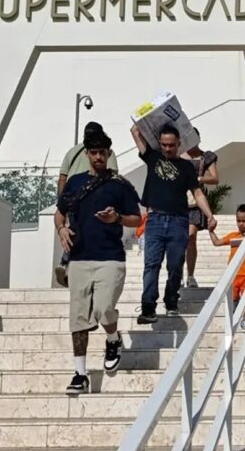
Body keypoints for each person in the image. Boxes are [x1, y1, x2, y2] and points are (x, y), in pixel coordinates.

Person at [54, 128, 141, 394]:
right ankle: (80, 373)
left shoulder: (119, 185)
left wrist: (117, 219)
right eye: (94, 152)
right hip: (79, 257)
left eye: (103, 152)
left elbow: (136, 219)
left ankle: (113, 338)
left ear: (109, 153)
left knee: (104, 308)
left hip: (110, 258)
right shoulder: (75, 183)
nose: (99, 157)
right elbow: (59, 213)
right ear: (88, 154)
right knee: (78, 318)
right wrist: (61, 230)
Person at [131, 123, 217, 324]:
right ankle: (148, 307)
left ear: (179, 144)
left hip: (179, 221)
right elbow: (135, 131)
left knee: (176, 264)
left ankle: (171, 301)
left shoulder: (187, 167)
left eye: (171, 145)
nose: (167, 149)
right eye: (164, 144)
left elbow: (197, 192)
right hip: (155, 220)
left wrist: (210, 215)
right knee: (151, 264)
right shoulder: (152, 157)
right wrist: (151, 114)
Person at [54, 123, 120, 288]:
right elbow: (113, 174)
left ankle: (66, 262)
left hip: (73, 196)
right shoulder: (105, 152)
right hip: (95, 197)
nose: (97, 156)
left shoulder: (73, 151)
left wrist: (62, 200)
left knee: (74, 229)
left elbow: (62, 178)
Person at [208, 204, 245, 329]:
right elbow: (217, 243)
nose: (241, 223)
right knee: (232, 299)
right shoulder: (233, 235)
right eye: (239, 221)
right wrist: (211, 231)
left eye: (244, 221)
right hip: (233, 275)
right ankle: (235, 315)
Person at [181, 128, 219, 288]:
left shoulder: (206, 157)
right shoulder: (177, 155)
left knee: (191, 237)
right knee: (179, 240)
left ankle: (190, 275)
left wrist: (197, 178)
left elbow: (215, 178)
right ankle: (178, 274)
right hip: (178, 201)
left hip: (195, 201)